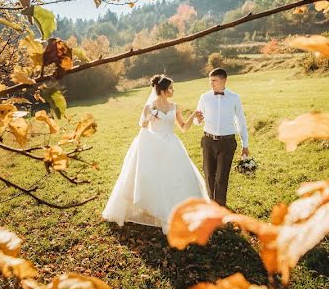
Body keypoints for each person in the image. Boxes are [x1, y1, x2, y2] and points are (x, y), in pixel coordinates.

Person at [102, 74, 208, 234]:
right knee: (154, 177)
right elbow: (143, 126)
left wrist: (192, 117)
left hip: (171, 145)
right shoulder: (149, 107)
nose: (173, 90)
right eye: (171, 88)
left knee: (177, 178)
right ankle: (152, 206)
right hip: (154, 145)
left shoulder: (175, 107)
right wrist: (148, 116)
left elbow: (183, 128)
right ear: (163, 90)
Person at [194, 68, 250, 207]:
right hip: (208, 141)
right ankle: (211, 204)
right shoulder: (204, 97)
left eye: (214, 81)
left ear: (224, 80)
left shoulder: (234, 98)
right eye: (210, 81)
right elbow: (197, 120)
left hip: (227, 142)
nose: (211, 84)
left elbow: (240, 120)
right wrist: (198, 120)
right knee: (209, 175)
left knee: (222, 176)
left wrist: (245, 144)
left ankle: (220, 206)